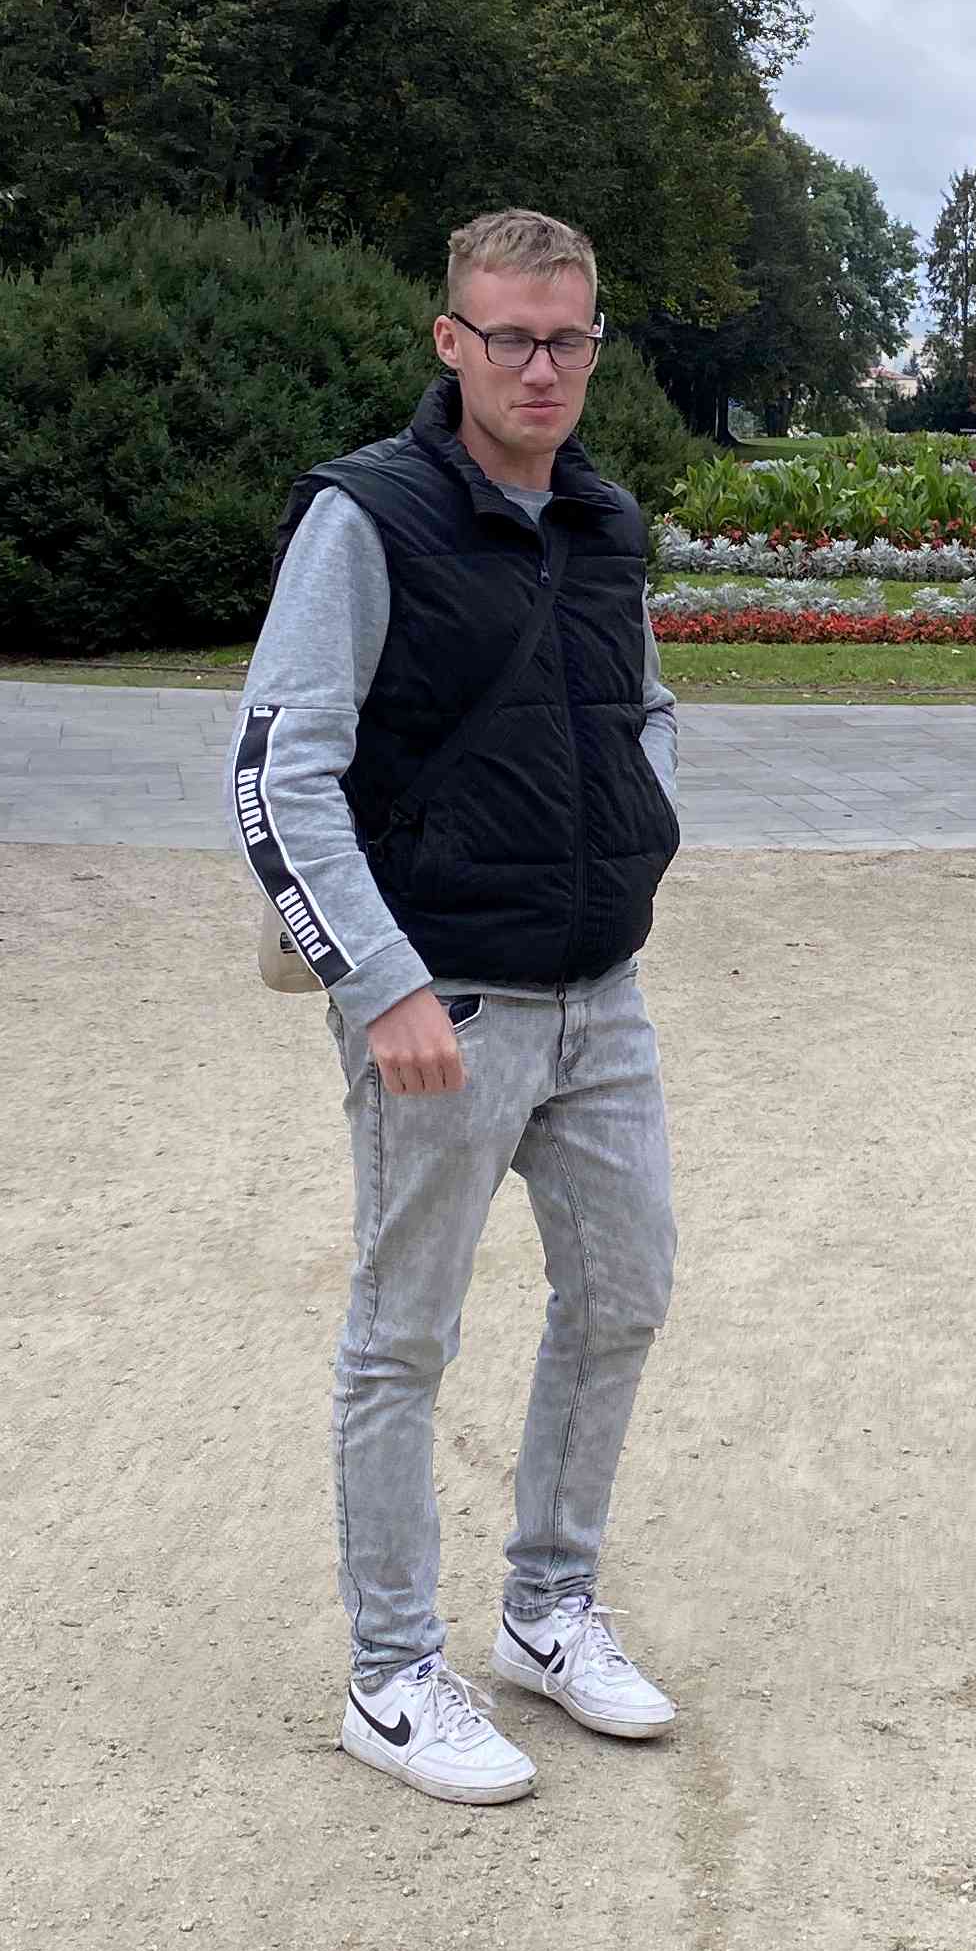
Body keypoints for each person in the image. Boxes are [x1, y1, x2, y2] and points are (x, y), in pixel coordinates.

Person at [235, 207, 684, 1806]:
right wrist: (380, 985)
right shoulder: (368, 517)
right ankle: (389, 1677)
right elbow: (276, 773)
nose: (540, 367)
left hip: (597, 997)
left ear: (594, 343)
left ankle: (547, 1613)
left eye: (568, 339)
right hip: (446, 1010)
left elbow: (642, 705)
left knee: (623, 1295)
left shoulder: (605, 521)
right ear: (452, 341)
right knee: (402, 1339)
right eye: (510, 338)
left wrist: (647, 831)